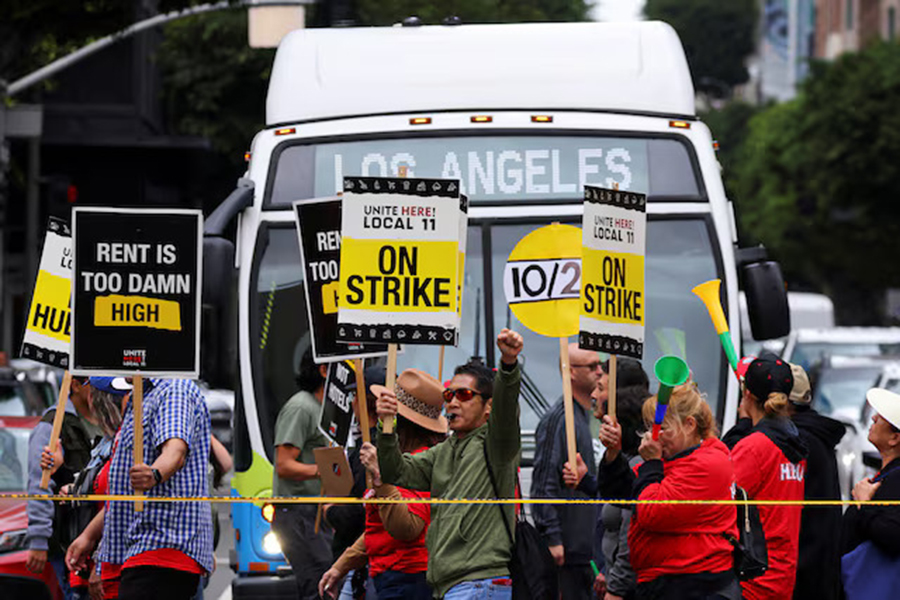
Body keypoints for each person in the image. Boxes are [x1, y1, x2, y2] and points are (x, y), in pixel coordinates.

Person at [369, 329, 524, 599]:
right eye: (448, 395)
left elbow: (508, 408)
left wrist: (508, 365)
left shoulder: (497, 444)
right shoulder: (444, 451)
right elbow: (395, 472)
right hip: (452, 585)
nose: (452, 401)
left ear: (488, 407)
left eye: (463, 395)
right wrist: (387, 426)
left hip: (478, 582)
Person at [319, 368, 447, 599]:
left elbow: (406, 528)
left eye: (386, 415)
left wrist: (380, 478)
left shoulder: (423, 461)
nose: (379, 418)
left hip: (410, 578)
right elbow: (378, 528)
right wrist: (342, 565)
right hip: (390, 575)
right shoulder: (402, 459)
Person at [606, 383, 739, 599]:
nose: (653, 436)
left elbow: (652, 513)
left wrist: (651, 464)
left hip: (696, 585)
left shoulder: (708, 463)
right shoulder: (673, 460)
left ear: (689, 425)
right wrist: (613, 455)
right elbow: (623, 494)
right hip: (669, 583)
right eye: (650, 427)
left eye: (662, 428)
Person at [95, 378, 214, 600]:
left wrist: (155, 473)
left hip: (162, 547)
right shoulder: (141, 396)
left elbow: (175, 450)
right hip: (139, 548)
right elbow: (122, 494)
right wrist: (89, 538)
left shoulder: (174, 389)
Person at [565, 358, 650, 600]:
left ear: (620, 398)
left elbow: (630, 533)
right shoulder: (622, 453)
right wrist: (587, 482)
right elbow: (616, 498)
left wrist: (616, 588)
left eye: (601, 388)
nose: (592, 393)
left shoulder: (641, 460)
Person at [727, 355, 807, 600]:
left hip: (752, 581)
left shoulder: (754, 448)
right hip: (782, 578)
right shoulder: (796, 444)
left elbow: (718, 504)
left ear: (747, 395)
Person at [532, 343, 602, 600]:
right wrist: (552, 538)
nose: (599, 372)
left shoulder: (584, 416)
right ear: (571, 371)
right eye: (592, 366)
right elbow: (543, 483)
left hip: (585, 552)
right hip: (566, 553)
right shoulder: (559, 419)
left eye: (600, 366)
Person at [270, 348, 332, 599]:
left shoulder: (323, 407)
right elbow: (284, 465)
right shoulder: (301, 407)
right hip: (298, 514)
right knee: (319, 585)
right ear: (324, 370)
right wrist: (327, 471)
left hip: (316, 511)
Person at [26, 375, 94, 600]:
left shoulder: (109, 418)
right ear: (75, 384)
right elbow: (39, 484)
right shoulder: (52, 425)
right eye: (92, 383)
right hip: (67, 543)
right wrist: (39, 538)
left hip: (98, 543)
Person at [840, 388, 900, 598]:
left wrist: (865, 504)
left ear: (894, 438)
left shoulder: (895, 479)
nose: (873, 417)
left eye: (881, 418)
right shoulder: (888, 475)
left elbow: (893, 534)